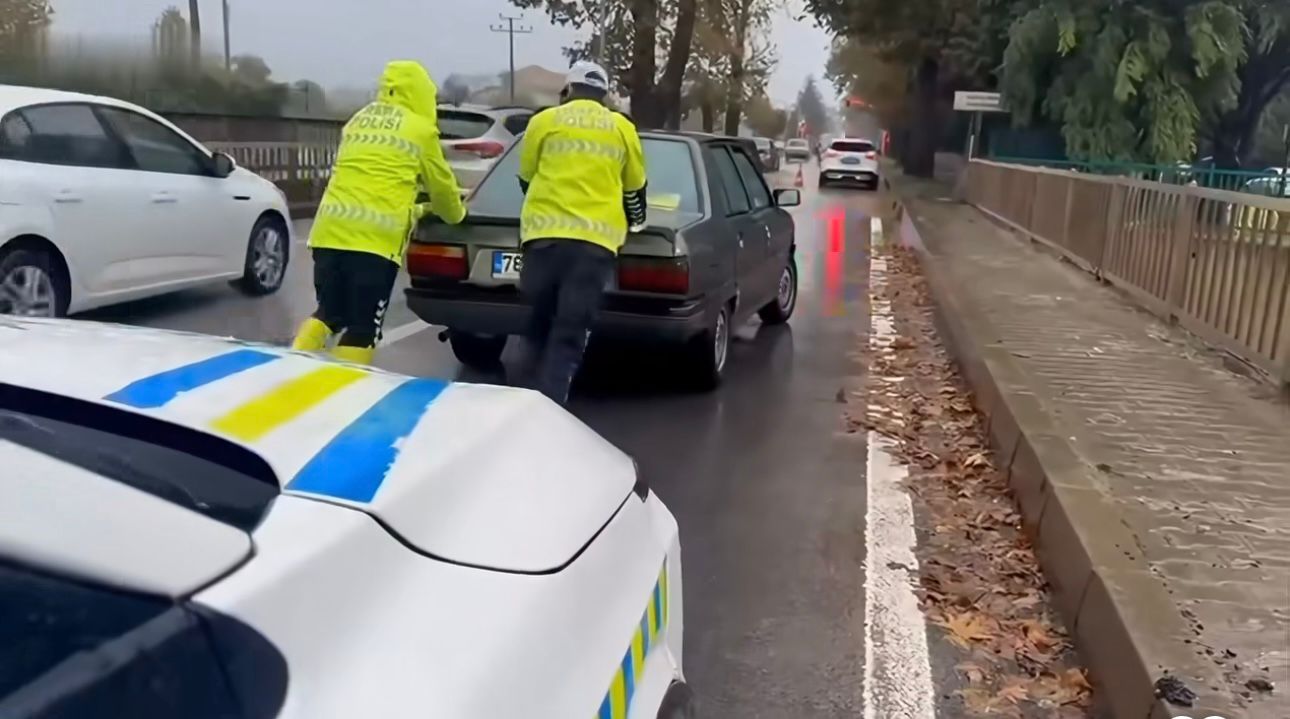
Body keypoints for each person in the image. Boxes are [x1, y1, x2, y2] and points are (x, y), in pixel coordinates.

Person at [291, 60, 465, 364]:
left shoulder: (358, 120)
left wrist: (415, 207)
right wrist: (456, 214)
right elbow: (442, 190)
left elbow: (371, 180)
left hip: (328, 235)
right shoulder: (419, 130)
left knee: (329, 313)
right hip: (373, 244)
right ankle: (347, 393)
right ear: (421, 93)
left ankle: (291, 366)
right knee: (363, 327)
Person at [516, 61, 647, 405]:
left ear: (569, 89)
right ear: (604, 95)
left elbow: (525, 178)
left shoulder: (544, 121)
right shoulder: (621, 127)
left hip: (542, 240)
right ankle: (550, 410)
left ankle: (522, 401)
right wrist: (637, 221)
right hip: (593, 246)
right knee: (568, 331)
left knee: (537, 325)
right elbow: (634, 188)